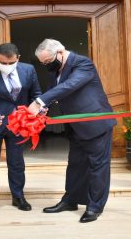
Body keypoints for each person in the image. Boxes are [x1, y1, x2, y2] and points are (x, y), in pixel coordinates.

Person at [27, 38, 116, 223]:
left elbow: (69, 86)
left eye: (48, 62)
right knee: (75, 165)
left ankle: (95, 207)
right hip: (75, 126)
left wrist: (38, 102)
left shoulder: (83, 63)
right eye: (42, 63)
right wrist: (44, 108)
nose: (46, 66)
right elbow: (54, 91)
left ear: (60, 52)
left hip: (95, 124)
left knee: (98, 167)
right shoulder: (55, 69)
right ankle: (70, 200)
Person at [0, 43, 42, 216]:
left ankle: (18, 197)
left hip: (19, 125)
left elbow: (36, 94)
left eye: (10, 63)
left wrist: (40, 107)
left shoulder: (28, 70)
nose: (6, 66)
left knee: (17, 163)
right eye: (2, 63)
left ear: (17, 58)